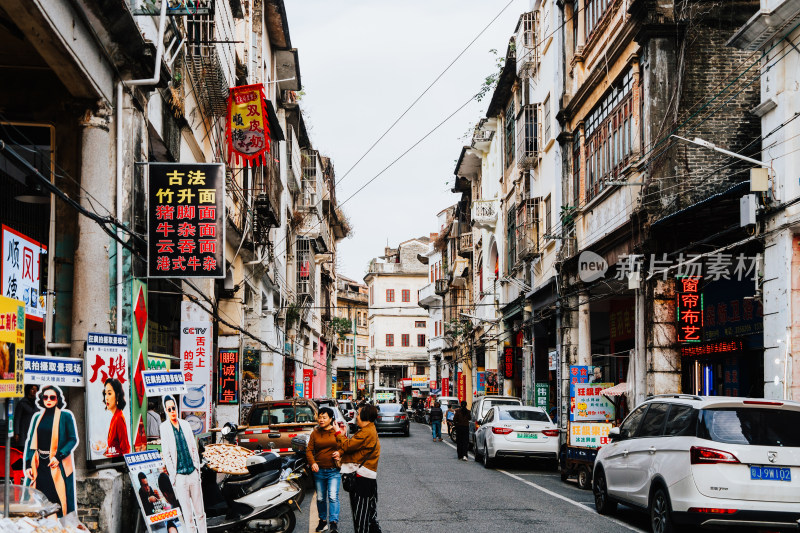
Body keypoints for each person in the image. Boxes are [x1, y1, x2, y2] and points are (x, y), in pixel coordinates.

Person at [23, 385, 79, 519]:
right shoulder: (37, 417)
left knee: (58, 502)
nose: (48, 400)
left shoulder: (65, 416)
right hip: (39, 465)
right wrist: (28, 465)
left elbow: (72, 439)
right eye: (45, 397)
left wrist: (59, 456)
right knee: (38, 500)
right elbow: (32, 442)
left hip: (57, 465)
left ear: (58, 399)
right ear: (41, 399)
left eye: (52, 397)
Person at [160, 395, 206, 533]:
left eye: (173, 408)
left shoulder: (185, 424)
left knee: (200, 512)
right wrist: (174, 477)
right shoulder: (164, 428)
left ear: (176, 407)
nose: (172, 411)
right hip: (179, 476)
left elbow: (193, 446)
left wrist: (197, 468)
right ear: (165, 410)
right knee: (188, 515)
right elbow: (167, 454)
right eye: (169, 409)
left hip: (192, 472)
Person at [333, 405, 381, 533]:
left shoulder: (366, 432)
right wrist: (343, 437)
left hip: (362, 479)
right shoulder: (367, 430)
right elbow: (354, 447)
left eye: (358, 414)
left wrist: (338, 433)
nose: (356, 417)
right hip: (365, 477)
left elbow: (348, 446)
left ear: (365, 416)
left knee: (361, 517)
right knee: (368, 516)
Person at [307, 407, 344, 532]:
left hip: (333, 471)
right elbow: (309, 450)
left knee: (333, 496)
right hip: (319, 471)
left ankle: (333, 523)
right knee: (320, 498)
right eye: (320, 417)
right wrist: (312, 463)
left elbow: (345, 446)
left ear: (331, 419)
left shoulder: (336, 432)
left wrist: (339, 452)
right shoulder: (315, 433)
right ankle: (323, 521)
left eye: (324, 417)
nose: (321, 420)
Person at [103, 378, 130, 457]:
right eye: (105, 394)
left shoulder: (118, 418)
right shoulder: (115, 416)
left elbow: (125, 449)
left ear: (117, 396)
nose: (106, 398)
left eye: (109, 393)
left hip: (118, 464)